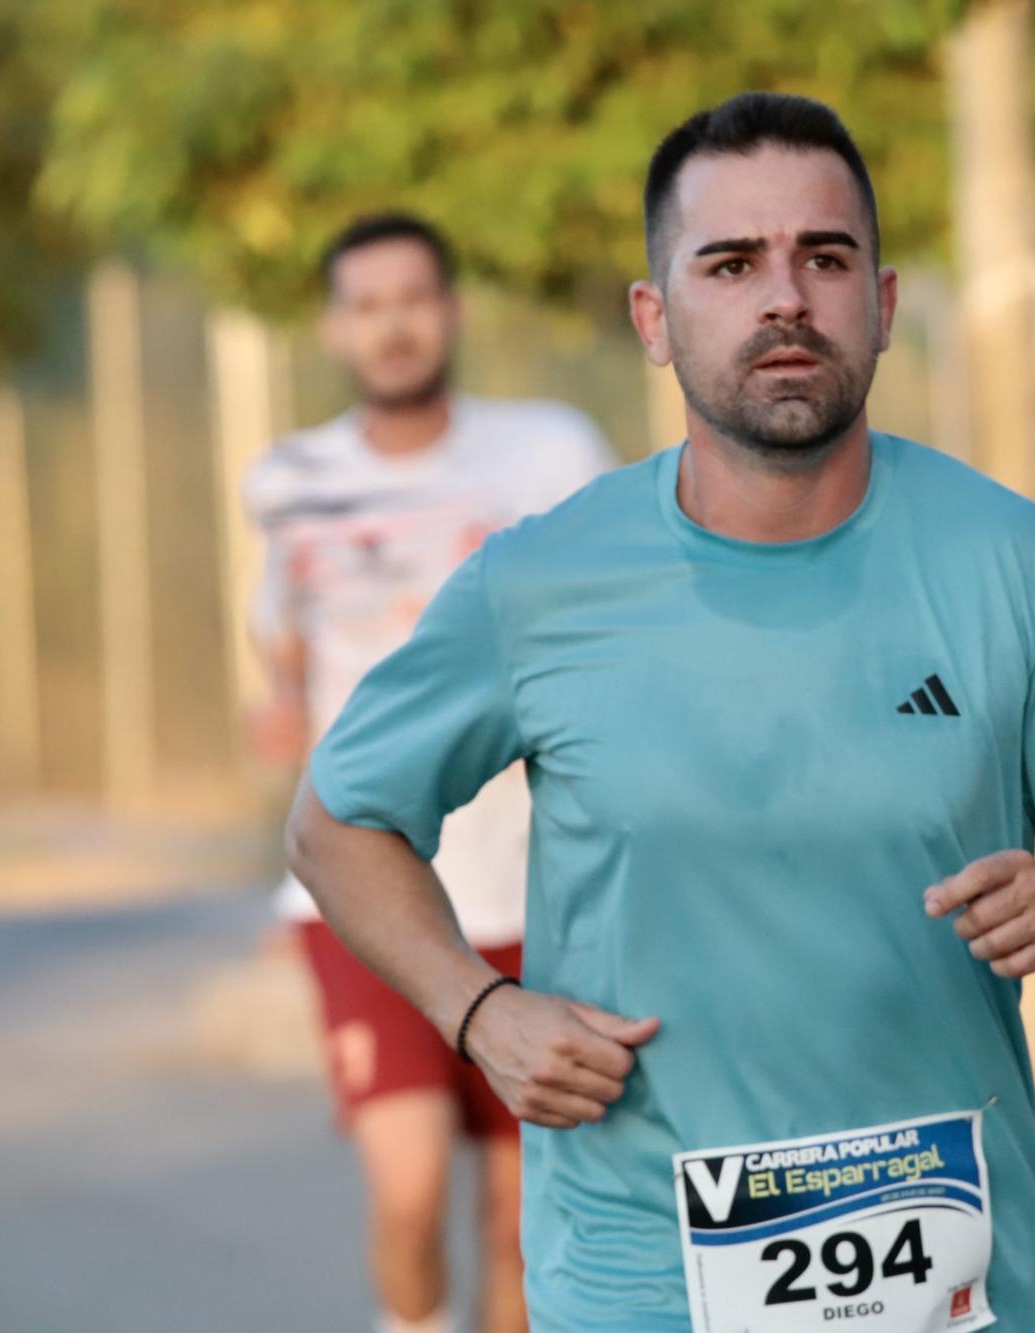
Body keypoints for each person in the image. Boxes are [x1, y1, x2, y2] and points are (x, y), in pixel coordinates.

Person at [286, 94, 1035, 1332]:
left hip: (952, 1290)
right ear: (655, 319)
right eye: (730, 264)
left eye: (823, 258)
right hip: (637, 1279)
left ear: (882, 304)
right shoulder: (539, 582)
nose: (783, 296)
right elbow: (335, 822)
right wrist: (478, 1008)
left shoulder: (1022, 566)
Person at [244, 211, 616, 1333]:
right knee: (407, 1196)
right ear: (334, 327)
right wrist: (294, 835)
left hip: (541, 890)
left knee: (518, 1220)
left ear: (449, 310)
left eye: (412, 298)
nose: (392, 326)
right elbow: (285, 665)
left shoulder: (550, 453)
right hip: (371, 895)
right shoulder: (292, 481)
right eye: (366, 305)